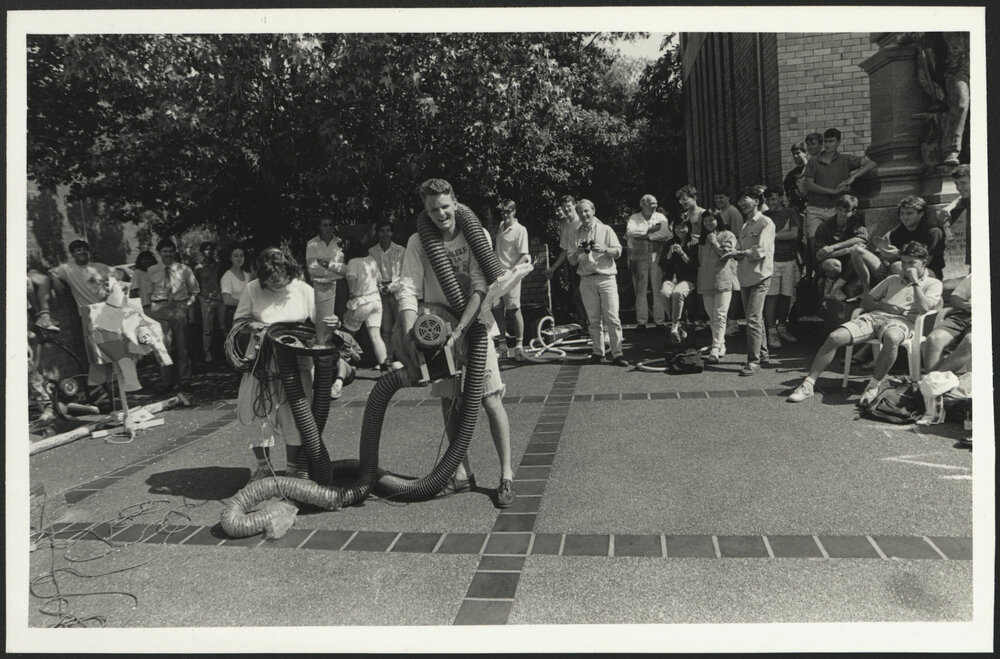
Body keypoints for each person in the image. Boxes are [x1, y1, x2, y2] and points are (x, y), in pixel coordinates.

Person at [396, 178, 515, 508]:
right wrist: (410, 337)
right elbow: (407, 289)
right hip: (438, 330)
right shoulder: (419, 242)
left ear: (455, 202)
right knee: (450, 404)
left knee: (489, 400)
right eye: (433, 209)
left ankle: (506, 475)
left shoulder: (476, 235)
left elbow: (481, 285)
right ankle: (461, 474)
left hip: (475, 327)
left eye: (445, 206)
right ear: (425, 210)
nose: (440, 214)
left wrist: (462, 329)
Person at [234, 246, 344, 481]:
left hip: (296, 360)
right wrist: (253, 327)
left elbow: (320, 321)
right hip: (262, 361)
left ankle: (294, 468)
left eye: (280, 279)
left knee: (296, 414)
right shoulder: (253, 289)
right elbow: (240, 322)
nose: (276, 284)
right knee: (258, 413)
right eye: (270, 280)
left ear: (290, 272)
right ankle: (263, 468)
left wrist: (333, 321)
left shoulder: (302, 289)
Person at [788, 241, 942, 405]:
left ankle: (873, 385)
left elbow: (925, 308)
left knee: (892, 338)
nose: (906, 267)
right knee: (835, 337)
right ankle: (808, 384)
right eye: (904, 262)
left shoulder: (933, 283)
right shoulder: (893, 279)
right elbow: (866, 301)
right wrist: (882, 305)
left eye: (911, 263)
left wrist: (915, 282)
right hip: (876, 317)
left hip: (903, 322)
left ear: (924, 263)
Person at [802, 128, 877, 277]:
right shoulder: (813, 161)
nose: (828, 145)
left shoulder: (846, 159)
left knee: (833, 242)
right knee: (813, 244)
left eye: (831, 141)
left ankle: (831, 275)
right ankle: (813, 278)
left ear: (838, 142)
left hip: (836, 210)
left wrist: (853, 177)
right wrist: (833, 191)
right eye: (826, 142)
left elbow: (871, 164)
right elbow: (809, 185)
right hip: (815, 209)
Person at [568, 199, 628, 367]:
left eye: (586, 211)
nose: (584, 215)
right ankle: (597, 351)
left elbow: (618, 251)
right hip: (586, 279)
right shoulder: (575, 233)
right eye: (580, 212)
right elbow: (572, 261)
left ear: (593, 211)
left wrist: (604, 250)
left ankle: (617, 353)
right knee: (593, 319)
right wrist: (579, 251)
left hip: (606, 278)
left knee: (613, 318)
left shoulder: (606, 229)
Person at [851, 195, 945, 294]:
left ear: (921, 214)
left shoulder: (933, 232)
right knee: (857, 251)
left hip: (926, 274)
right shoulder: (897, 232)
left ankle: (900, 295)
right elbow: (891, 260)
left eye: (909, 213)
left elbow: (923, 263)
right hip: (897, 272)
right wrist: (885, 255)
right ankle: (867, 291)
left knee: (897, 266)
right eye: (902, 213)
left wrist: (897, 254)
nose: (905, 217)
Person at [726, 188, 775, 376]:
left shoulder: (765, 222)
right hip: (745, 277)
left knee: (753, 319)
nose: (742, 204)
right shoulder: (746, 225)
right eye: (740, 201)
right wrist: (733, 252)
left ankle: (753, 361)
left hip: (760, 276)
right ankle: (763, 354)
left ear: (756, 200)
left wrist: (739, 253)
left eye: (745, 200)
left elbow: (760, 250)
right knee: (755, 318)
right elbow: (739, 248)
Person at [146, 238, 199, 393]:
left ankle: (185, 381)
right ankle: (166, 383)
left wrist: (186, 306)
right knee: (163, 347)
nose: (168, 254)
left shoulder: (185, 269)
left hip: (178, 307)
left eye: (170, 251)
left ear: (174, 252)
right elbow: (148, 293)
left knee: (182, 346)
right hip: (160, 309)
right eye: (164, 251)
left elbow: (195, 291)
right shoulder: (152, 270)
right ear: (159, 253)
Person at [342, 238, 390, 377]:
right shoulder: (371, 260)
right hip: (376, 301)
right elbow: (379, 280)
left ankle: (341, 367)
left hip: (360, 302)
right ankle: (384, 369)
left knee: (347, 336)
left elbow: (351, 277)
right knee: (376, 336)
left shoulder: (352, 262)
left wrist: (351, 293)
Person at [696, 211, 738, 363]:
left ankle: (715, 347)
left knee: (720, 315)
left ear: (717, 220)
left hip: (723, 281)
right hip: (706, 282)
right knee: (712, 317)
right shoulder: (702, 240)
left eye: (711, 220)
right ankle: (721, 344)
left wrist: (714, 241)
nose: (708, 223)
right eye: (705, 220)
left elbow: (724, 254)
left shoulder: (728, 235)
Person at [492, 199, 531, 360]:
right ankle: (502, 345)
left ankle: (519, 347)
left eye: (508, 212)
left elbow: (524, 255)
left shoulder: (520, 230)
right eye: (502, 212)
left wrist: (512, 271)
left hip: (512, 276)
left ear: (514, 211)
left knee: (514, 309)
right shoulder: (501, 226)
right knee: (497, 309)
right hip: (497, 275)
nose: (505, 215)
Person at [624, 194, 670, 330]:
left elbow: (666, 234)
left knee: (657, 288)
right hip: (638, 257)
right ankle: (641, 321)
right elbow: (630, 232)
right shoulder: (634, 218)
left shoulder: (660, 217)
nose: (654, 206)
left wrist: (646, 236)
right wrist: (652, 232)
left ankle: (660, 321)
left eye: (655, 203)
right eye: (651, 203)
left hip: (657, 257)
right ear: (642, 204)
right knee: (640, 290)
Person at [763, 187, 801, 348]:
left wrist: (773, 236)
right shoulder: (764, 217)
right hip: (771, 262)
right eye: (767, 200)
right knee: (771, 297)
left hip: (790, 261)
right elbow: (762, 240)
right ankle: (771, 332)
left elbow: (794, 234)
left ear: (780, 198)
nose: (770, 203)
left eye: (772, 199)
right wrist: (780, 234)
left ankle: (782, 328)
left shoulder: (791, 213)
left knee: (786, 296)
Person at [813, 194, 868, 302]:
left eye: (846, 211)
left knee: (859, 253)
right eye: (839, 210)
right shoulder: (824, 227)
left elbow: (862, 238)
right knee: (834, 265)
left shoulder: (854, 222)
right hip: (827, 262)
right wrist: (846, 250)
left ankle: (836, 287)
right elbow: (820, 256)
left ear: (853, 212)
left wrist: (835, 247)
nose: (842, 214)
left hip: (847, 261)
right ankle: (828, 283)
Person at [544, 195, 589, 329]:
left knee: (587, 295)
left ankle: (595, 326)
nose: (567, 209)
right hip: (573, 264)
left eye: (569, 206)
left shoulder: (582, 221)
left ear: (575, 205)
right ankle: (584, 326)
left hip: (586, 264)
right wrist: (553, 268)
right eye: (564, 207)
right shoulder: (565, 225)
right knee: (577, 295)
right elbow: (564, 250)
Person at [368, 219, 406, 364]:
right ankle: (387, 359)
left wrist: (390, 287)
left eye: (387, 231)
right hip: (380, 292)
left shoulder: (400, 250)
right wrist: (380, 287)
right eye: (382, 231)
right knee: (385, 328)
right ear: (378, 233)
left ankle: (404, 358)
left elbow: (404, 273)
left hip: (397, 291)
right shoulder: (372, 251)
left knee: (402, 326)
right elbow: (370, 273)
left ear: (392, 233)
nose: (385, 234)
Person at [659, 219, 699, 344]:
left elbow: (694, 265)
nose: (680, 230)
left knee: (677, 294)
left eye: (683, 227)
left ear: (688, 228)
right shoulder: (669, 243)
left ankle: (674, 327)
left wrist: (682, 253)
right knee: (665, 293)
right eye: (677, 227)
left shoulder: (694, 243)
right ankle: (676, 323)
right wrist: (670, 253)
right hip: (671, 278)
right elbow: (662, 264)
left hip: (688, 278)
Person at [923, 273, 970, 372]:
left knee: (970, 341)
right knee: (934, 339)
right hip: (963, 315)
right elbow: (955, 298)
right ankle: (934, 384)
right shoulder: (976, 275)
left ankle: (932, 380)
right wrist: (965, 306)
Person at [305, 216, 349, 322]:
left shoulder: (340, 243)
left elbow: (346, 270)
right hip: (320, 287)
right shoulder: (312, 244)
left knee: (339, 320)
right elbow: (312, 269)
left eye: (330, 225)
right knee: (322, 320)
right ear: (320, 227)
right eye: (325, 225)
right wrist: (336, 271)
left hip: (339, 287)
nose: (328, 228)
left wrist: (324, 263)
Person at [194, 241, 225, 363]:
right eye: (206, 249)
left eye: (211, 249)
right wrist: (199, 298)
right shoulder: (198, 268)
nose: (209, 252)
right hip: (206, 300)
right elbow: (194, 286)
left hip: (221, 299)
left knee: (224, 327)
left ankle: (230, 351)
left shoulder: (220, 266)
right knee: (208, 329)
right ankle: (207, 354)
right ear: (202, 252)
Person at [939, 164, 970, 272]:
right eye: (956, 183)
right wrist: (950, 207)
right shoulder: (967, 199)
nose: (959, 188)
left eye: (963, 183)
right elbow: (961, 198)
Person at [220, 243, 253, 333]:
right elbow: (227, 300)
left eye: (242, 256)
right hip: (233, 315)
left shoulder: (248, 275)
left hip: (247, 315)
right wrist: (245, 304)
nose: (239, 259)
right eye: (236, 256)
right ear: (230, 258)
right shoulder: (227, 276)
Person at [783, 142, 809, 215]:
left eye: (798, 153)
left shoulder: (813, 170)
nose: (795, 156)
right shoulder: (791, 175)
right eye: (793, 154)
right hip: (797, 212)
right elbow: (788, 192)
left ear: (805, 153)